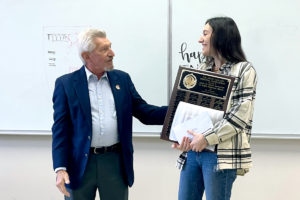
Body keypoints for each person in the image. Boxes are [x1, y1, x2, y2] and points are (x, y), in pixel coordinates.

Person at [52, 28, 167, 200]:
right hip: (79, 164)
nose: (111, 53)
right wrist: (60, 168)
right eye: (104, 49)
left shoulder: (122, 79)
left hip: (114, 162)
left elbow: (146, 113)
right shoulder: (66, 84)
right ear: (86, 56)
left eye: (110, 47)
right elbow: (60, 129)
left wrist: (178, 111)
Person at [172, 17, 257, 200]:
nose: (200, 39)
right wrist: (182, 137)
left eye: (205, 34)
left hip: (220, 156)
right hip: (194, 152)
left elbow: (241, 115)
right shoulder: (203, 68)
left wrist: (207, 138)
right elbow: (192, 110)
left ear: (220, 37)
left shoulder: (244, 70)